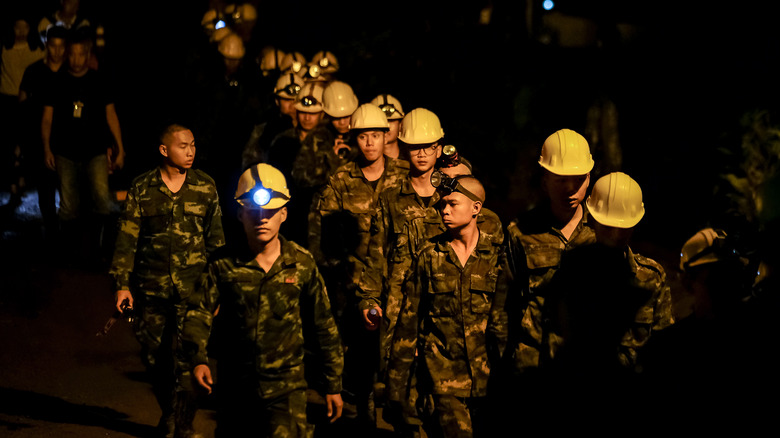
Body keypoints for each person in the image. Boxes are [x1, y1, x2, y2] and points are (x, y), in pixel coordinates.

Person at [182, 163, 344, 437]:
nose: (262, 220)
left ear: (283, 214)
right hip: (236, 388)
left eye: (270, 213)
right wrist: (197, 359)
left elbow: (324, 326)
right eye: (254, 213)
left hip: (286, 388)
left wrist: (333, 384)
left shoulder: (301, 264)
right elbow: (198, 313)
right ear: (241, 214)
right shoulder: (223, 263)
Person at [109, 124, 225, 438]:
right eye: (183, 146)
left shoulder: (205, 187)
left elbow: (216, 244)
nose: (190, 151)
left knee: (191, 359)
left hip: (194, 291)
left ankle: (183, 425)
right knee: (154, 358)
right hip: (151, 289)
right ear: (164, 150)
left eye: (193, 145)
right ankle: (170, 413)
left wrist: (218, 292)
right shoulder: (142, 188)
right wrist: (122, 283)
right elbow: (127, 239)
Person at [310, 102, 409, 429]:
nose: (369, 143)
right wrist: (337, 272)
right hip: (352, 280)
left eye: (375, 136)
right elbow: (325, 230)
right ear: (354, 139)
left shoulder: (403, 174)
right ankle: (362, 414)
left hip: (396, 277)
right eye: (363, 136)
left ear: (386, 137)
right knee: (358, 351)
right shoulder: (342, 178)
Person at [388, 175, 508, 438]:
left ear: (476, 208)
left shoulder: (499, 256)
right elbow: (409, 322)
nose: (444, 210)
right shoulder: (429, 255)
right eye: (442, 204)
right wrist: (396, 388)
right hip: (443, 381)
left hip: (491, 380)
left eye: (453, 204)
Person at [503, 128, 596, 375]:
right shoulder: (521, 232)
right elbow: (506, 305)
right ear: (545, 180)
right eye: (561, 180)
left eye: (578, 180)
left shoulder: (602, 233)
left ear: (589, 178)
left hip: (587, 363)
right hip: (533, 363)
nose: (570, 188)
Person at [41, 30, 125, 262]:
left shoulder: (99, 81)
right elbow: (47, 117)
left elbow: (111, 114)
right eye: (73, 54)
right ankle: (69, 253)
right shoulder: (57, 81)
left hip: (95, 151)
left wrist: (119, 147)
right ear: (68, 55)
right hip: (65, 151)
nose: (77, 59)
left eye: (81, 54)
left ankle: (103, 250)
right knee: (68, 204)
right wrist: (47, 148)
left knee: (101, 199)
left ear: (88, 55)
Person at [18, 25, 67, 239]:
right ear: (47, 45)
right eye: (52, 46)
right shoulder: (34, 71)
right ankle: (52, 231)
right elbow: (21, 103)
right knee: (45, 189)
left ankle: (67, 231)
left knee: (68, 187)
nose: (56, 51)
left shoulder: (71, 72)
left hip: (66, 138)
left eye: (61, 47)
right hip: (38, 139)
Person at [1, 15, 44, 206]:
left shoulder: (36, 50)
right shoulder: (5, 48)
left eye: (24, 27)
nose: (21, 32)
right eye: (17, 27)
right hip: (7, 100)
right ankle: (13, 182)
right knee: (10, 144)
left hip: (28, 102)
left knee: (25, 143)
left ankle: (22, 179)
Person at [241, 71, 304, 170]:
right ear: (277, 101)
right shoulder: (264, 129)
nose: (292, 105)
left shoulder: (312, 128)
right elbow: (250, 161)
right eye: (287, 100)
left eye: (296, 100)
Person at [370, 94, 406, 161]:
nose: (386, 126)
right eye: (380, 121)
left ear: (400, 125)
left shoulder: (412, 161)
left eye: (391, 121)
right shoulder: (358, 163)